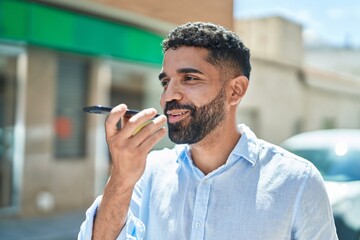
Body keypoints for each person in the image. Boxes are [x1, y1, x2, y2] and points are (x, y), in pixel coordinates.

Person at [78, 22, 338, 240]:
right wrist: (121, 178)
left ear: (235, 91)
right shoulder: (146, 174)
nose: (168, 96)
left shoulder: (298, 182)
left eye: (189, 79)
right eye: (166, 82)